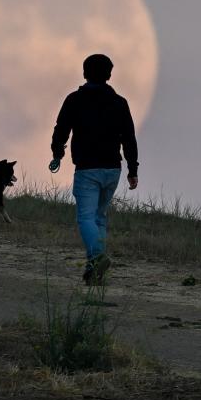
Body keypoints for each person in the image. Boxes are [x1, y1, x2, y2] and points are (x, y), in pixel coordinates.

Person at [50, 54, 139, 285]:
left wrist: (57, 154)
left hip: (87, 168)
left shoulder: (74, 100)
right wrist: (132, 169)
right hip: (113, 169)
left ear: (84, 73)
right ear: (109, 75)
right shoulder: (120, 103)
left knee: (86, 218)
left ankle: (98, 257)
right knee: (99, 217)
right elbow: (129, 138)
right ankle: (93, 270)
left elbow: (61, 130)